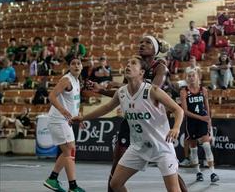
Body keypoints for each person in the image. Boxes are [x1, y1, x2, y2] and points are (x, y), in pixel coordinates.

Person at [89, 35, 188, 192]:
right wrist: (102, 90)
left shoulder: (159, 67)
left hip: (152, 123)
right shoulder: (131, 67)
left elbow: (148, 92)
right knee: (116, 167)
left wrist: (112, 84)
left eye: (147, 42)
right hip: (133, 122)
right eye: (141, 42)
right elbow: (123, 93)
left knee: (171, 173)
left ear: (155, 49)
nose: (142, 44)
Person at [43, 55, 85, 192]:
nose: (76, 66)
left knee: (68, 150)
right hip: (57, 120)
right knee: (70, 151)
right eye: (73, 63)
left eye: (79, 63)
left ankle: (52, 179)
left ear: (82, 66)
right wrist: (62, 111)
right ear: (69, 67)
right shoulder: (67, 80)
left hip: (65, 121)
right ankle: (73, 187)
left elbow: (74, 102)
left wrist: (77, 117)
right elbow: (51, 96)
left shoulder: (77, 81)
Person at [180, 68, 219, 183]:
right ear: (187, 78)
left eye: (193, 75)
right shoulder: (184, 91)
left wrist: (209, 120)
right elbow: (185, 111)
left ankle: (212, 172)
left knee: (206, 145)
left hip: (203, 121)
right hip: (191, 122)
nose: (191, 78)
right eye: (189, 76)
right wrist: (202, 117)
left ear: (198, 77)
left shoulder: (203, 90)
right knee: (193, 149)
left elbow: (207, 107)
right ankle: (198, 172)